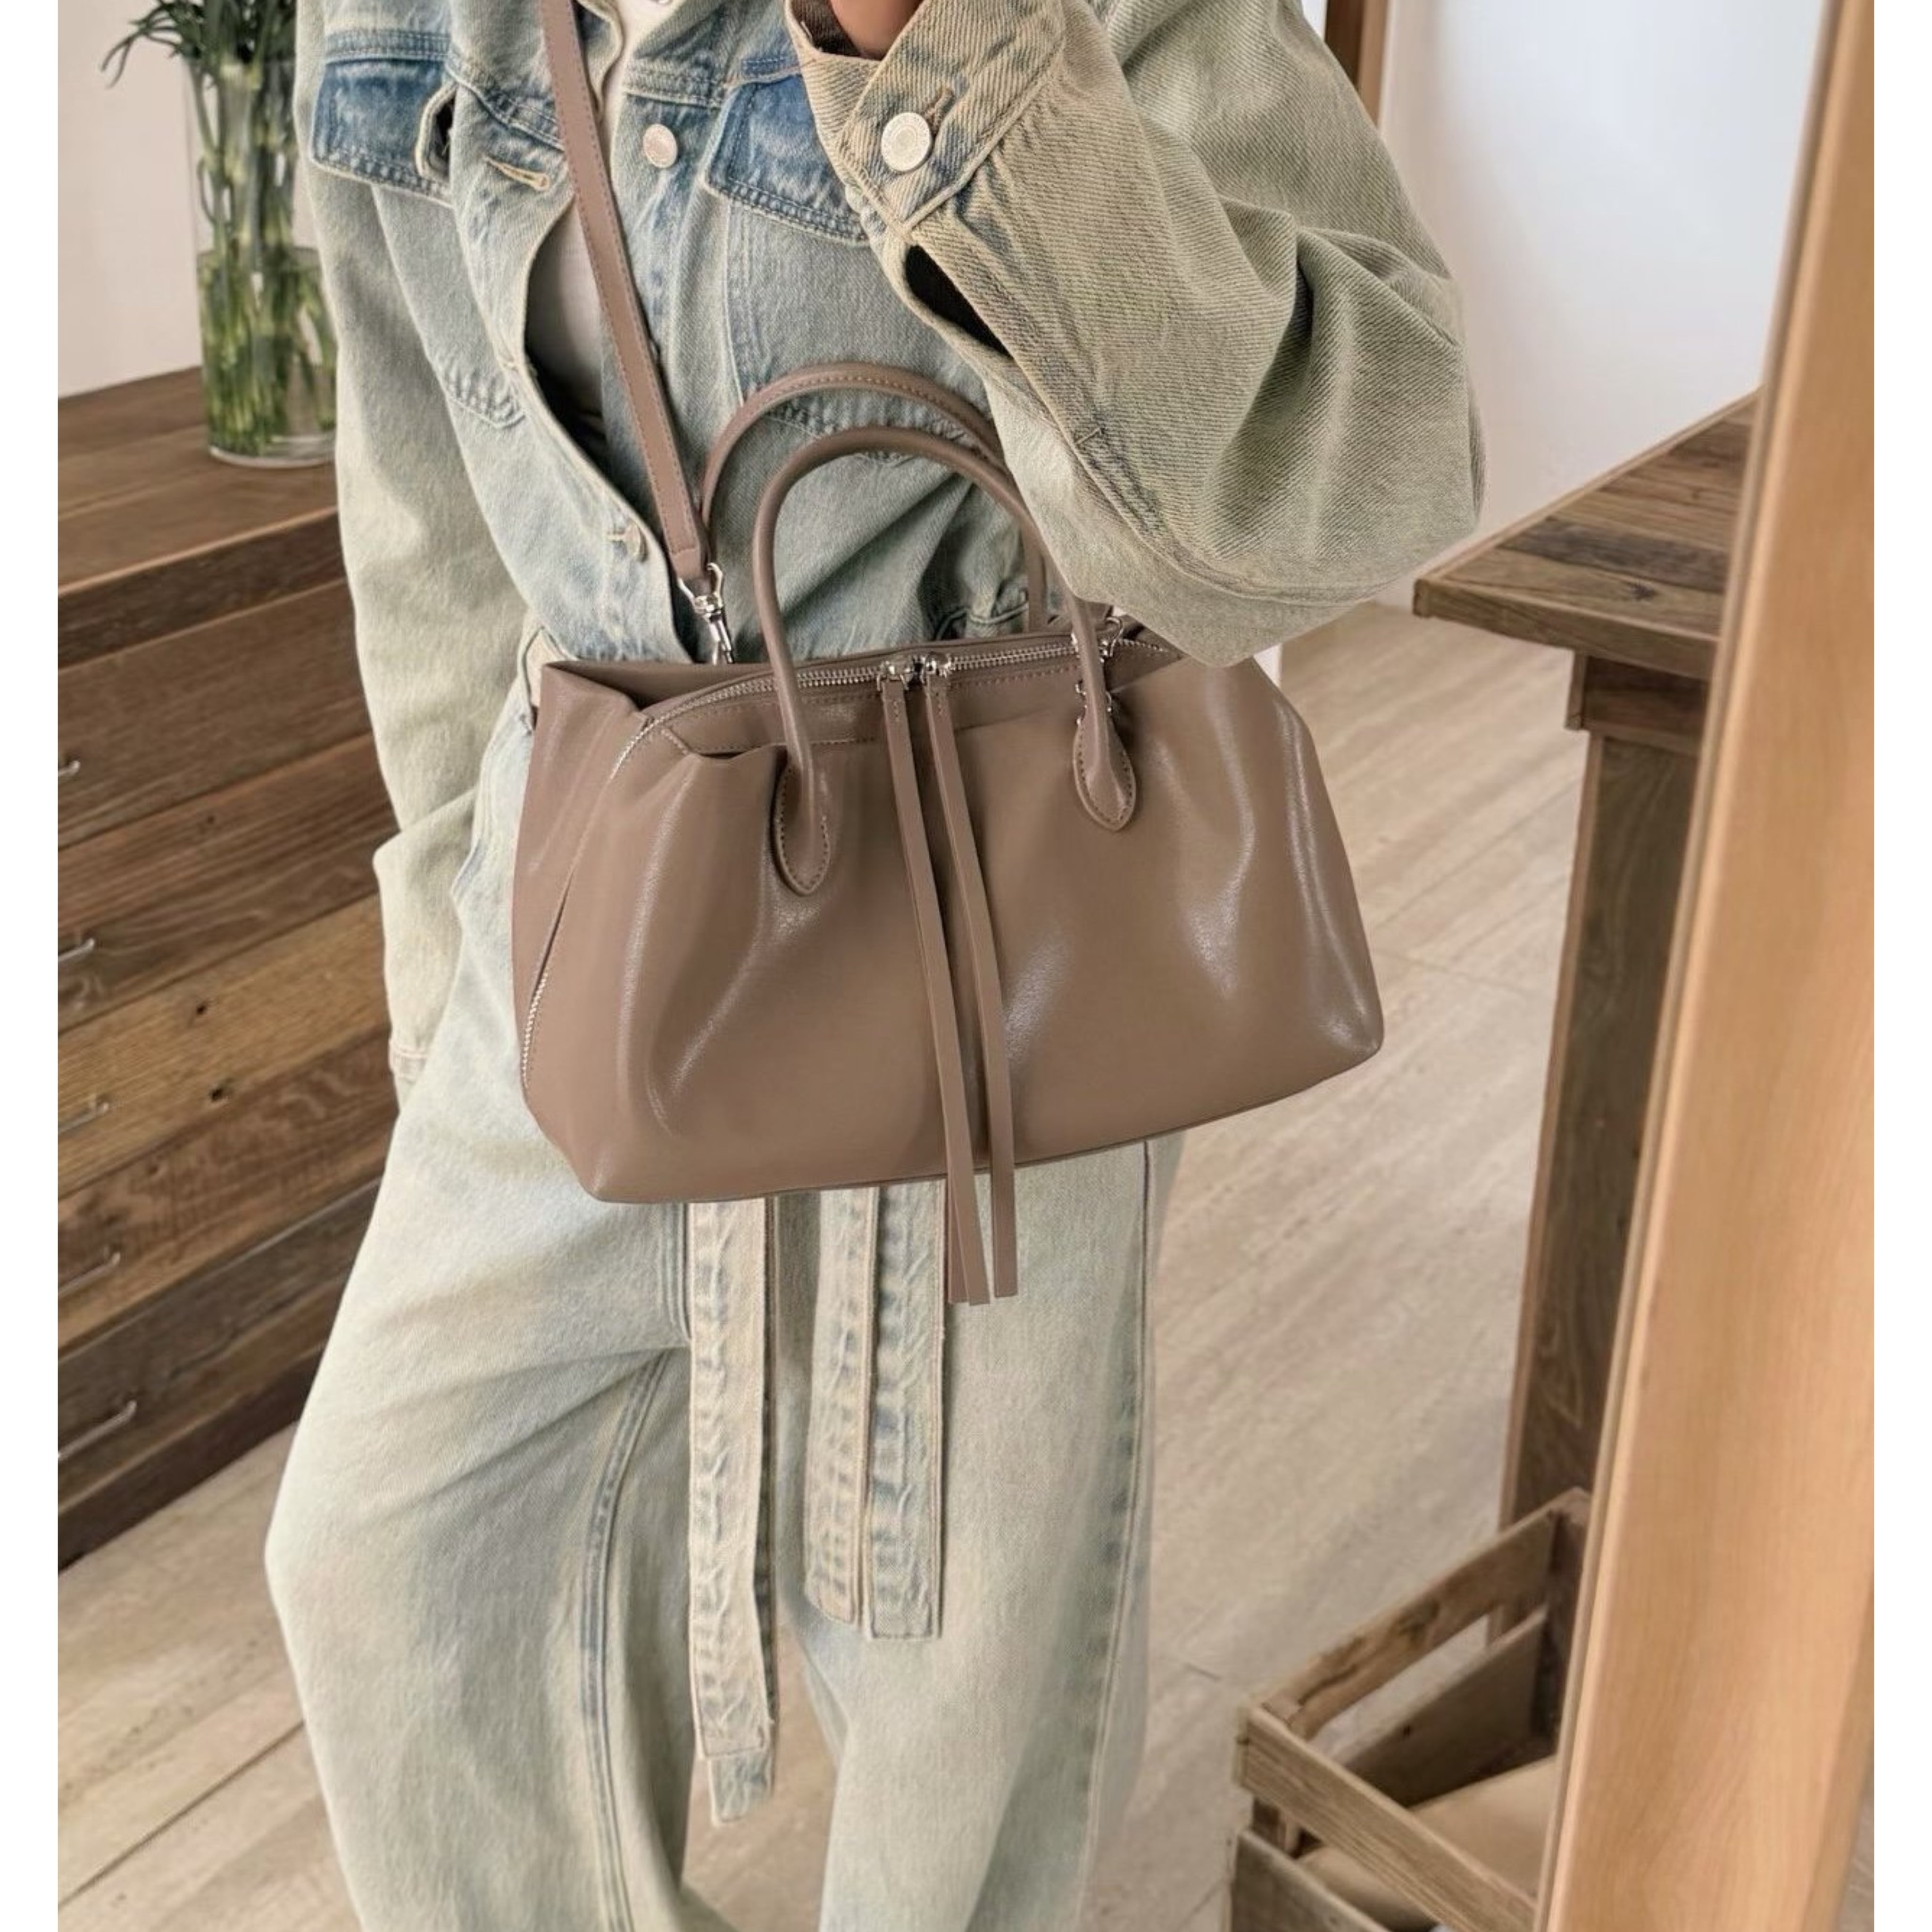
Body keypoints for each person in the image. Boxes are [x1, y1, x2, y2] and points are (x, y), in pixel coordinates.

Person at [264, 0, 1482, 1924]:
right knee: (389, 1562)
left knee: (948, 1717)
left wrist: (945, 58)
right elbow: (419, 492)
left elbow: (1370, 475)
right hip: (575, 883)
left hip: (984, 911)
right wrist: (444, 940)